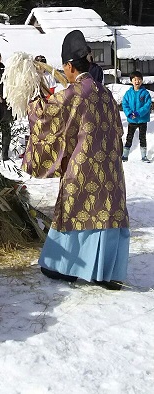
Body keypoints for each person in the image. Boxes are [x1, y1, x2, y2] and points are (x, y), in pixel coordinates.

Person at [23, 29, 129, 289]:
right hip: (111, 169)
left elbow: (46, 117)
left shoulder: (75, 92)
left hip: (84, 167)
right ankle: (108, 272)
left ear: (69, 66)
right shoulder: (105, 93)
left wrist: (32, 97)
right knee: (107, 212)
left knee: (74, 208)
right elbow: (118, 128)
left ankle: (67, 267)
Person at [122, 71, 152, 162]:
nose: (137, 81)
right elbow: (125, 104)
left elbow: (147, 105)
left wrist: (138, 113)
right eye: (135, 79)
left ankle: (144, 156)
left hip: (142, 120)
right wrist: (130, 114)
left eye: (139, 79)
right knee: (129, 137)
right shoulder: (128, 93)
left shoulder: (145, 93)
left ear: (142, 81)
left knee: (142, 138)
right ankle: (125, 155)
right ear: (131, 81)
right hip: (132, 120)